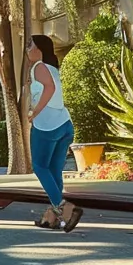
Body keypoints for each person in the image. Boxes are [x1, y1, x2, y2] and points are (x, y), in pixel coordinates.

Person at [25, 34, 83, 231]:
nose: (27, 50)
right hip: (65, 124)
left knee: (40, 167)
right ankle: (53, 218)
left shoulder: (39, 67)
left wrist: (34, 112)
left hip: (47, 125)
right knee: (54, 171)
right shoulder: (52, 68)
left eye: (30, 45)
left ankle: (64, 209)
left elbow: (48, 89)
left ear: (39, 48)